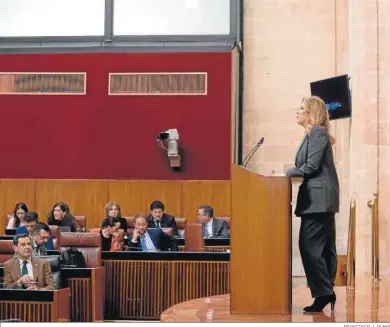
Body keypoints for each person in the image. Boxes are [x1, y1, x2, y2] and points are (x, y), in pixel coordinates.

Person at [286, 96, 339, 312]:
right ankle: (326, 292)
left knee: (309, 247)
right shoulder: (312, 135)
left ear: (312, 113)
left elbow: (311, 166)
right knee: (323, 248)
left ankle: (324, 293)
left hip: (318, 199)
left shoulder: (317, 133)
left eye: (301, 109)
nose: (296, 112)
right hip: (318, 200)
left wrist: (287, 173)